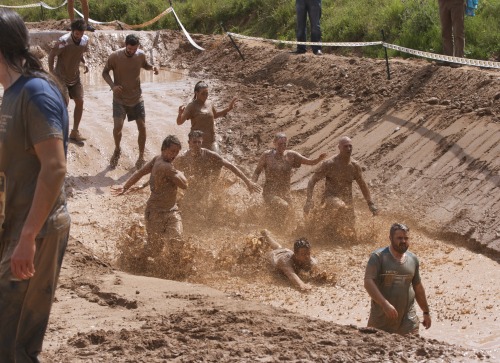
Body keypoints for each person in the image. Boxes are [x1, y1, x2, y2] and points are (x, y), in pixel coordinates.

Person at [0, 8, 70, 361]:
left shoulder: (35, 92)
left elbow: (55, 167)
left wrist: (28, 236)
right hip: (16, 225)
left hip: (35, 232)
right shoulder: (11, 93)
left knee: (13, 340)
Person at [112, 135, 187, 264]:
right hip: (155, 213)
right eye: (172, 151)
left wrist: (126, 186)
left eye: (177, 152)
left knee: (177, 242)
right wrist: (181, 173)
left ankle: (175, 271)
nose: (174, 155)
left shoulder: (157, 159)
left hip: (171, 211)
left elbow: (140, 173)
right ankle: (132, 262)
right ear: (164, 149)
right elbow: (184, 185)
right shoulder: (167, 167)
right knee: (155, 250)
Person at [102, 34, 159, 170]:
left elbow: (145, 65)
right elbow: (104, 73)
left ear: (137, 47)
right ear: (125, 45)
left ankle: (141, 156)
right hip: (119, 99)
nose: (132, 52)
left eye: (134, 49)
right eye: (129, 49)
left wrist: (153, 68)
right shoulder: (115, 56)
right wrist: (113, 86)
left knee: (142, 128)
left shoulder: (140, 55)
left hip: (136, 98)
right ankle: (117, 149)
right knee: (117, 128)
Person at [304, 136, 377, 240]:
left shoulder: (354, 166)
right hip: (330, 198)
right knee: (340, 206)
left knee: (349, 232)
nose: (348, 149)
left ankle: (329, 231)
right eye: (345, 146)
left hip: (347, 200)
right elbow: (312, 181)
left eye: (350, 146)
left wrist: (370, 203)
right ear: (339, 147)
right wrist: (308, 200)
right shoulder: (329, 164)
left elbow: (362, 185)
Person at [364, 223, 432, 335]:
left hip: (408, 319)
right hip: (382, 318)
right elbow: (368, 282)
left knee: (412, 348)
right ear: (390, 238)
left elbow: (418, 287)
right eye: (399, 238)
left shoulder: (413, 259)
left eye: (406, 238)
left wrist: (426, 312)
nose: (404, 241)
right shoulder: (378, 257)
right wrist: (385, 304)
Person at [174, 130, 261, 210]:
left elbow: (231, 166)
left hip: (207, 183)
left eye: (199, 142)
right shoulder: (183, 158)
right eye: (194, 142)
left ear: (202, 142)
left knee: (205, 206)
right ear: (189, 143)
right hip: (192, 185)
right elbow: (170, 171)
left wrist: (248, 182)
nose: (197, 145)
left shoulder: (209, 155)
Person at [252, 132, 326, 223]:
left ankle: (274, 227)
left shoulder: (291, 155)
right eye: (280, 144)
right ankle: (274, 228)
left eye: (284, 144)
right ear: (274, 143)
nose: (283, 146)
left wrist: (318, 159)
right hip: (270, 192)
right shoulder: (267, 156)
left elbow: (310, 162)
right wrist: (252, 184)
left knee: (293, 216)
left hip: (285, 192)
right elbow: (256, 172)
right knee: (284, 206)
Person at [49, 18, 90, 143]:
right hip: (61, 77)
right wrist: (51, 73)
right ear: (72, 31)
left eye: (81, 33)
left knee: (80, 102)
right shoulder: (63, 41)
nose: (79, 36)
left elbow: (80, 53)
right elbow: (51, 56)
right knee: (64, 103)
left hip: (75, 77)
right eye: (77, 33)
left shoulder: (85, 40)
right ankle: (58, 131)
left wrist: (85, 62)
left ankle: (74, 132)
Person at [177, 81, 237, 153]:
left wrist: (228, 108)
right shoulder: (191, 106)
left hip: (211, 141)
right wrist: (180, 114)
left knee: (217, 161)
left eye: (207, 93)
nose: (205, 96)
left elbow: (215, 115)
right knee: (197, 163)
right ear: (196, 93)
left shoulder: (209, 103)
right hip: (197, 143)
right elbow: (179, 122)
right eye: (203, 94)